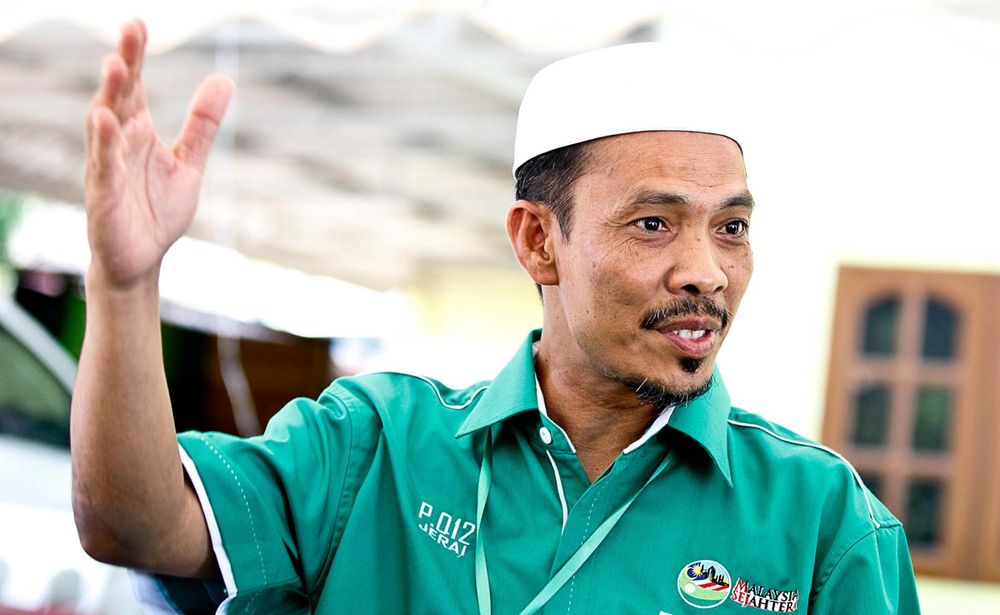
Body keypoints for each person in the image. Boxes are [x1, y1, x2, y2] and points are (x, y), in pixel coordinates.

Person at [72, 18, 921, 614]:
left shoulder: (825, 524)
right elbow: (131, 524)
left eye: (731, 228)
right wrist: (123, 287)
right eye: (654, 223)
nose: (706, 271)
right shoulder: (378, 447)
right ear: (537, 241)